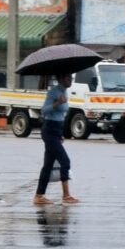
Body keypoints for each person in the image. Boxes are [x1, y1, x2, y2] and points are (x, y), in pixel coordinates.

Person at [34, 74, 79, 205]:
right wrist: (57, 103)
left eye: (71, 78)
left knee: (48, 165)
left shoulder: (64, 91)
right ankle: (66, 195)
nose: (70, 81)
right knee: (65, 161)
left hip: (57, 130)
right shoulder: (53, 92)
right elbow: (44, 111)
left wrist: (60, 134)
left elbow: (60, 115)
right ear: (61, 79)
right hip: (49, 130)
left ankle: (39, 196)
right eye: (68, 78)